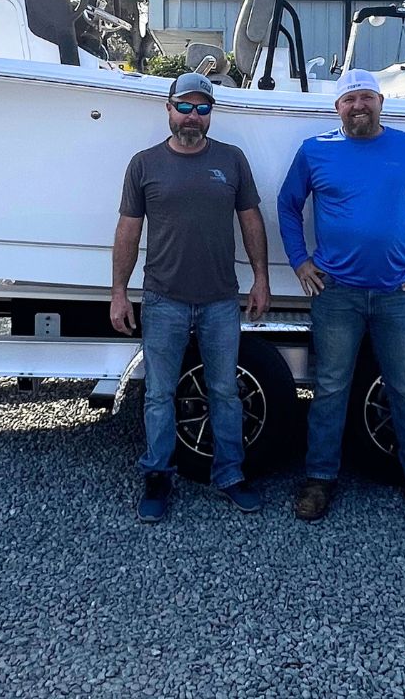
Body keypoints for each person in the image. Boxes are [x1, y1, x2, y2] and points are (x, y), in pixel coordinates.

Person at [277, 68, 405, 524]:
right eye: (349, 99)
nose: (358, 105)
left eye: (366, 97)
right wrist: (299, 260)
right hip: (336, 294)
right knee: (330, 389)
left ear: (380, 103)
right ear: (337, 107)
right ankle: (319, 479)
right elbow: (287, 204)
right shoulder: (315, 151)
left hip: (398, 293)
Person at [111, 72, 271, 523]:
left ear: (210, 115)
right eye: (184, 106)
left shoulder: (232, 160)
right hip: (164, 300)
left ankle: (230, 475)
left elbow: (251, 220)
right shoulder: (144, 164)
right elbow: (128, 231)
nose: (192, 116)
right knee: (159, 394)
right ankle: (157, 476)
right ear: (168, 109)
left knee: (225, 392)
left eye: (202, 109)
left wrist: (261, 277)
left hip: (221, 300)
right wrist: (119, 292)